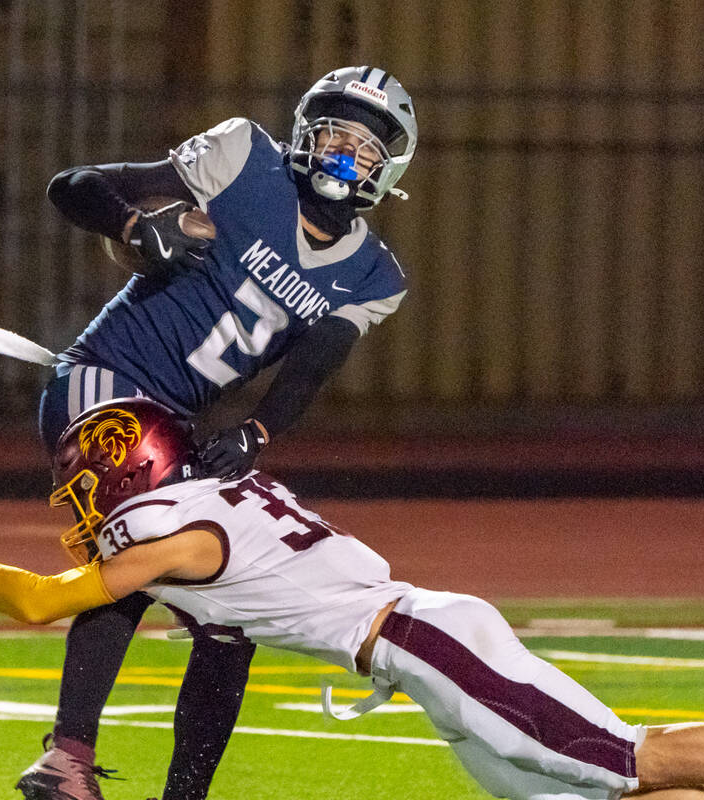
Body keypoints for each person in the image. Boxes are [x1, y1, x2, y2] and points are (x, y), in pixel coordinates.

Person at [0, 397, 704, 800]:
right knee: (592, 793)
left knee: (623, 755)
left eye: (91, 473)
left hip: (423, 638)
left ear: (137, 463)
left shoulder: (182, 530)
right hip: (415, 654)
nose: (83, 492)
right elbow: (218, 661)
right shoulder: (197, 523)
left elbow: (44, 602)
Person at [31, 65, 416, 800]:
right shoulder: (246, 159)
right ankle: (67, 758)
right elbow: (72, 183)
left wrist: (258, 432)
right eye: (332, 132)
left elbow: (309, 371)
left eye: (363, 146)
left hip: (177, 420)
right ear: (304, 132)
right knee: (141, 555)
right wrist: (134, 227)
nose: (341, 153)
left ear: (389, 166)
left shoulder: (372, 275)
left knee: (231, 611)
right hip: (102, 379)